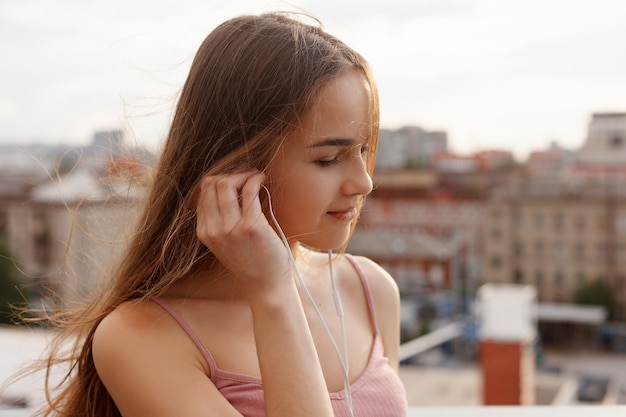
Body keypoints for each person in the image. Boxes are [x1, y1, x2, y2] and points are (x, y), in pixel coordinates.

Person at [37, 12, 407, 417]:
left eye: (364, 150)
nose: (364, 182)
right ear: (235, 168)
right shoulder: (139, 336)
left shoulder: (369, 291)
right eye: (329, 159)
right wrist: (273, 294)